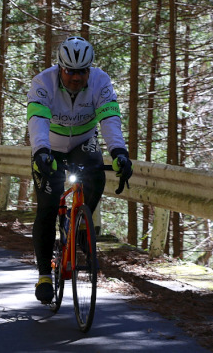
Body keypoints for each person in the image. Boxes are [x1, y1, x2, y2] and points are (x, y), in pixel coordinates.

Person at [26, 35, 133, 304]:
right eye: (70, 71)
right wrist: (40, 151)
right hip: (50, 145)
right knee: (48, 207)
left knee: (96, 171)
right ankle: (44, 275)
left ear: (90, 69)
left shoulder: (100, 81)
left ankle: (81, 227)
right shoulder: (43, 82)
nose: (76, 77)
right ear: (60, 68)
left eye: (82, 71)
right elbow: (37, 120)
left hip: (83, 141)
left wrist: (119, 152)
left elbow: (109, 119)